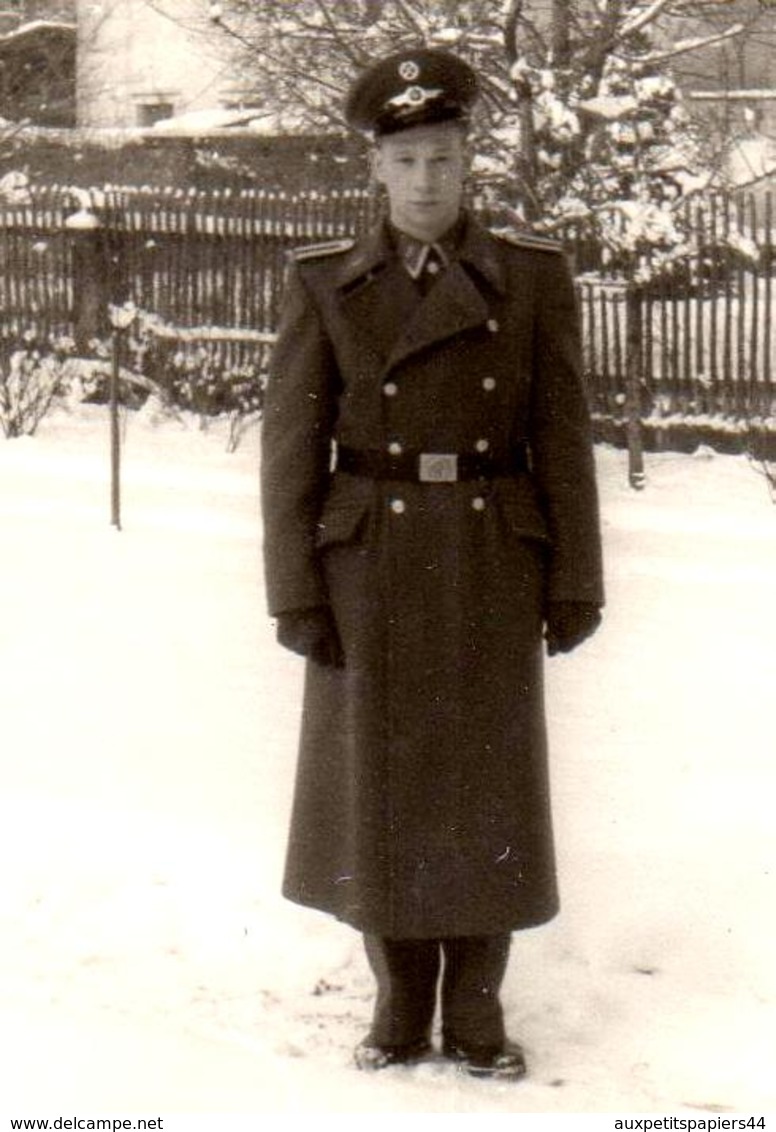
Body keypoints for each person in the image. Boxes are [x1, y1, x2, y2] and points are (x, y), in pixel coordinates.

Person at [261, 46, 604, 1082]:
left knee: (487, 782)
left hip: (494, 553)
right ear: (373, 166)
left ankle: (480, 1003)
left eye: (443, 158)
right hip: (370, 564)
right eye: (405, 159)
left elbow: (563, 436)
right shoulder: (326, 282)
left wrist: (573, 576)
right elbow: (289, 452)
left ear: (468, 164)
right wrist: (295, 590)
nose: (424, 181)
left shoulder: (531, 276)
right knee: (384, 782)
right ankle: (400, 995)